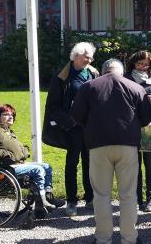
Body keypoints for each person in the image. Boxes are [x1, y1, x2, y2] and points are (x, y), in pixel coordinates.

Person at [71, 59, 151, 244]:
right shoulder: (135, 87)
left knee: (101, 194)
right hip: (128, 144)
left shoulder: (88, 86)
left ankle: (103, 239)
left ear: (103, 70)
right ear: (121, 71)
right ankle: (129, 238)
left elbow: (76, 115)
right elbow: (147, 117)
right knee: (129, 194)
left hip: (98, 145)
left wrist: (90, 125)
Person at [43, 42, 99, 217]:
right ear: (76, 56)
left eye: (91, 57)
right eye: (86, 56)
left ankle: (90, 198)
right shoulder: (62, 77)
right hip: (72, 128)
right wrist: (70, 122)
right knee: (72, 163)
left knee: (91, 163)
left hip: (90, 126)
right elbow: (53, 106)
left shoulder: (94, 73)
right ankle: (72, 201)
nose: (90, 59)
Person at [0, 104, 65, 214]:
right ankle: (41, 202)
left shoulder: (9, 131)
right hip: (5, 167)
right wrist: (7, 154)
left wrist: (24, 151)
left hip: (16, 164)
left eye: (12, 115)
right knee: (38, 170)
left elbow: (17, 150)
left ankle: (48, 197)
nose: (10, 117)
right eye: (6, 114)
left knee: (46, 167)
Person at [125, 50, 151, 212]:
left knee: (150, 163)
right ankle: (137, 198)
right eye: (140, 64)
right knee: (134, 164)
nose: (143, 67)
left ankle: (150, 198)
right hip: (131, 127)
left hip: (149, 128)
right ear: (133, 63)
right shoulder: (126, 79)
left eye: (146, 64)